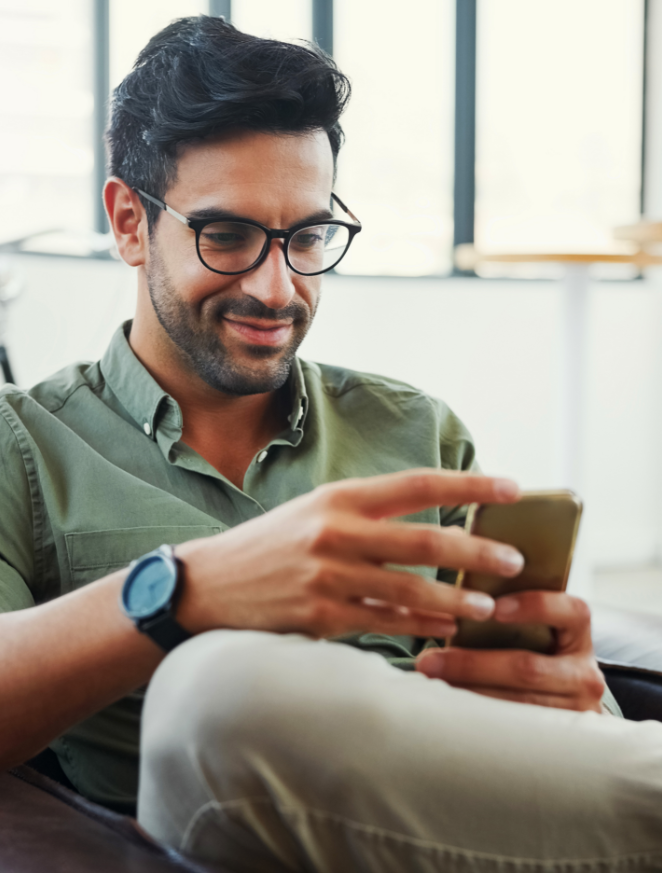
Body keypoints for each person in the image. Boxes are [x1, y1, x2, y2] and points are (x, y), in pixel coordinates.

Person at [0, 15, 661, 872]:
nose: (278, 288)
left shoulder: (416, 431)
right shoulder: (25, 442)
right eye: (226, 236)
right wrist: (184, 592)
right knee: (218, 688)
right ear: (130, 220)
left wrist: (570, 700)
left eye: (308, 237)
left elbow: (572, 758)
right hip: (216, 823)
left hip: (433, 833)